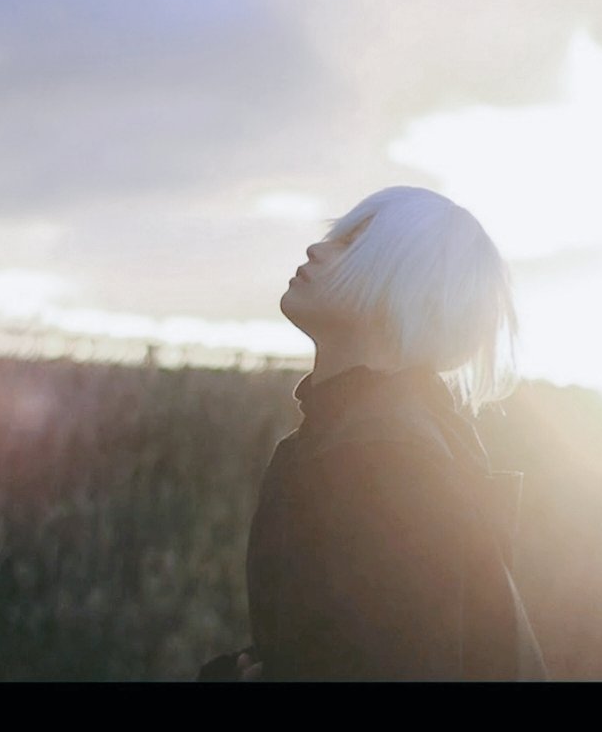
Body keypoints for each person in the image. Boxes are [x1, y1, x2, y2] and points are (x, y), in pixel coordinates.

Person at [199, 186, 546, 681]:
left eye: (351, 245)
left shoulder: (383, 459)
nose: (316, 249)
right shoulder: (381, 437)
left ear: (407, 285)